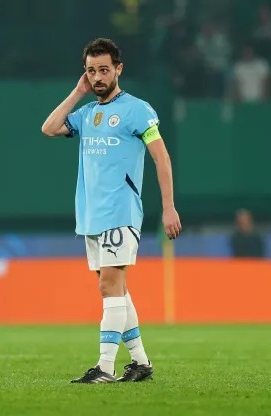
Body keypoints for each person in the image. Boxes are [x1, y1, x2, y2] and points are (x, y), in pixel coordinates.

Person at [41, 38, 181, 383]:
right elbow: (49, 128)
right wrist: (77, 93)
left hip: (121, 210)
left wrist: (168, 207)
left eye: (104, 69)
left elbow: (161, 157)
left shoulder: (137, 109)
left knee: (109, 287)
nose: (98, 77)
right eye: (91, 71)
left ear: (119, 69)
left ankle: (105, 367)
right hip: (91, 216)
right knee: (115, 289)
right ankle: (141, 363)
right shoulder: (87, 114)